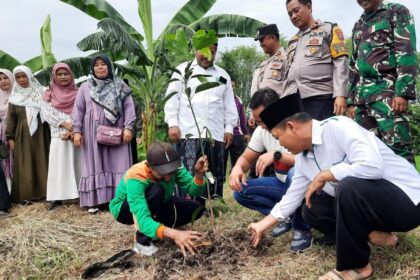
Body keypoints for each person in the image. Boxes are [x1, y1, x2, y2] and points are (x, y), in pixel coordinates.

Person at [249, 93, 420, 280]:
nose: (280, 145)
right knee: (311, 208)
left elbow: (373, 166)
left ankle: (357, 267)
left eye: (278, 137)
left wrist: (327, 174)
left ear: (291, 127)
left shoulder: (339, 127)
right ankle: (374, 234)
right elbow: (292, 197)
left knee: (347, 186)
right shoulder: (302, 158)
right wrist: (261, 225)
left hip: (408, 201)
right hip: (377, 209)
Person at [230, 88, 311, 252]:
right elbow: (246, 158)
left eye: (261, 119)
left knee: (293, 173)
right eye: (257, 121)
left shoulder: (295, 125)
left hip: (306, 187)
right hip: (281, 184)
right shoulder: (262, 131)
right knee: (240, 191)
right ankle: (286, 215)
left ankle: (302, 228)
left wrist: (277, 155)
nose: (260, 124)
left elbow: (310, 162)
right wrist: (237, 168)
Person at [164, 42, 238, 201]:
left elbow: (229, 104)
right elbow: (171, 99)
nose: (207, 56)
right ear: (195, 50)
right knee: (189, 170)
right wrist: (172, 123)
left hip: (215, 134)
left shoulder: (223, 75)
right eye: (204, 52)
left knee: (213, 170)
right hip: (188, 132)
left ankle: (209, 204)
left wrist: (229, 128)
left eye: (212, 52)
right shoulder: (183, 71)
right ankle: (187, 204)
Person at [347, 0, 417, 165]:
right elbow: (354, 64)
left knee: (398, 151)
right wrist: (351, 101)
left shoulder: (396, 11)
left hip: (388, 95)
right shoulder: (359, 23)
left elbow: (406, 51)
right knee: (367, 155)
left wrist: (403, 92)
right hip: (362, 101)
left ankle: (409, 191)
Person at [109, 142, 208, 256]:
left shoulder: (175, 166)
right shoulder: (136, 176)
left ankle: (157, 228)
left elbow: (193, 190)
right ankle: (142, 242)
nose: (168, 177)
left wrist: (199, 175)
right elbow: (142, 219)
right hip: (125, 209)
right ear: (149, 167)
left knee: (196, 209)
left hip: (160, 201)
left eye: (171, 172)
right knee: (156, 189)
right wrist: (175, 234)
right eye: (162, 172)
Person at [72, 55, 136, 212]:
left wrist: (128, 127)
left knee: (119, 163)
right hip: (92, 132)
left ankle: (119, 200)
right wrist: (76, 131)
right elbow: (78, 110)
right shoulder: (85, 87)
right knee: (95, 164)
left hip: (118, 131)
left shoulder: (120, 85)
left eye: (103, 64)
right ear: (92, 68)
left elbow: (129, 107)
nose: (100, 68)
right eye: (97, 65)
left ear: (109, 67)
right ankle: (97, 201)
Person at [283, 0, 348, 120]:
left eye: (296, 11)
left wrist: (340, 94)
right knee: (301, 138)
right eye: (290, 14)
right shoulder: (292, 41)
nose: (293, 16)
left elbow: (340, 63)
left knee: (319, 137)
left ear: (309, 7)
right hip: (294, 101)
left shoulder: (329, 29)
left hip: (320, 97)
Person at [6, 66, 50, 204]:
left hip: (42, 133)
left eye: (24, 76)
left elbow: (50, 111)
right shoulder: (14, 97)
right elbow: (11, 118)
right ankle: (28, 194)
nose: (21, 80)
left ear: (30, 76)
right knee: (26, 162)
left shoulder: (42, 92)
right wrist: (10, 137)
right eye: (18, 77)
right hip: (23, 134)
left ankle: (46, 192)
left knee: (43, 160)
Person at [41, 63, 81, 211]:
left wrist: (74, 128)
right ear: (54, 76)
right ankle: (57, 199)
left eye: (66, 74)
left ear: (71, 75)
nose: (63, 77)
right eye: (60, 74)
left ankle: (80, 194)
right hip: (58, 134)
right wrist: (64, 124)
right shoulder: (49, 93)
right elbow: (46, 113)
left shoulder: (78, 93)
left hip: (76, 134)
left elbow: (82, 110)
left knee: (79, 163)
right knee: (58, 165)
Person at [224, 79, 250, 176]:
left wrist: (246, 132)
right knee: (221, 160)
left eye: (233, 86)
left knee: (238, 160)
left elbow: (242, 118)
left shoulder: (238, 100)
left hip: (237, 134)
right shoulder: (220, 100)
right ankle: (220, 180)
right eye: (230, 85)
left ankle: (237, 178)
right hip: (223, 135)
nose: (232, 88)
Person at [0, 69, 14, 194]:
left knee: (17, 160)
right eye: (0, 79)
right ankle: (8, 192)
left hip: (17, 132)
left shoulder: (18, 94)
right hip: (1, 133)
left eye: (5, 78)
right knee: (5, 161)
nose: (3, 81)